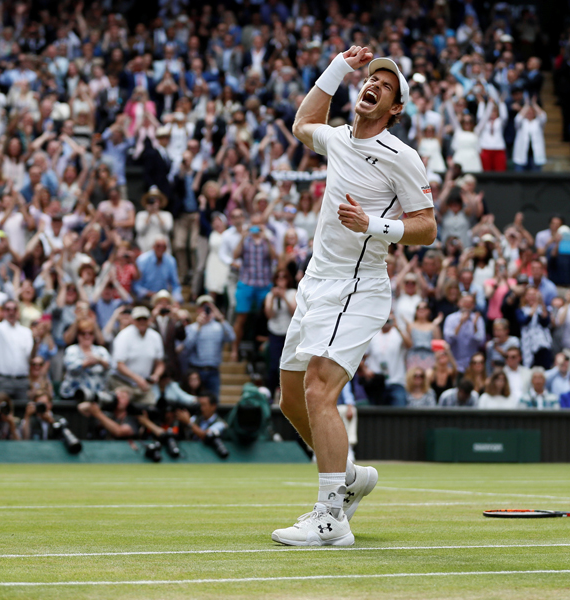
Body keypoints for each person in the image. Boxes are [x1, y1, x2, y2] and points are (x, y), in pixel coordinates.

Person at [272, 48, 437, 547]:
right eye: (371, 80)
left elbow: (426, 227)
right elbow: (303, 123)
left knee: (319, 389)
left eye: (385, 86)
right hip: (316, 282)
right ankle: (348, 476)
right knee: (290, 399)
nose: (374, 86)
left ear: (395, 108)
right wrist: (338, 66)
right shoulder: (339, 138)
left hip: (358, 285)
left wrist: (374, 225)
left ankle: (330, 520)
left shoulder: (402, 156)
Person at [231, 212, 277, 362]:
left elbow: (275, 258)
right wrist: (242, 237)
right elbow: (235, 255)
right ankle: (234, 350)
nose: (256, 227)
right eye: (254, 224)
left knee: (267, 316)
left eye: (259, 224)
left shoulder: (268, 238)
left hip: (264, 284)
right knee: (241, 317)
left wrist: (266, 239)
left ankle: (266, 350)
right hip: (246, 282)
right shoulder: (245, 239)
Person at [108, 306, 166, 405]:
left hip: (144, 385)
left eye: (144, 319)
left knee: (151, 406)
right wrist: (138, 379)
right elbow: (119, 365)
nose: (142, 322)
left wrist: (156, 375)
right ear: (133, 320)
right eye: (139, 319)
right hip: (123, 383)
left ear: (150, 320)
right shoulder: (124, 336)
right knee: (122, 404)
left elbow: (160, 363)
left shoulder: (155, 337)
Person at [182, 296, 235, 398]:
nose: (205, 310)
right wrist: (198, 326)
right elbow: (187, 347)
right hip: (196, 371)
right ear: (198, 309)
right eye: (202, 307)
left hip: (213, 371)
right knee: (194, 401)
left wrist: (221, 318)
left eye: (208, 307)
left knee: (213, 400)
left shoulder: (219, 327)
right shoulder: (191, 328)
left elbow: (232, 337)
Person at [59, 319, 112, 399]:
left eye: (90, 333)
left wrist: (99, 360)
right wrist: (87, 362)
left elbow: (111, 366)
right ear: (78, 335)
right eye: (83, 333)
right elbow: (71, 367)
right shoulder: (72, 350)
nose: (87, 336)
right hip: (73, 395)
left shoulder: (101, 350)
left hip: (97, 395)